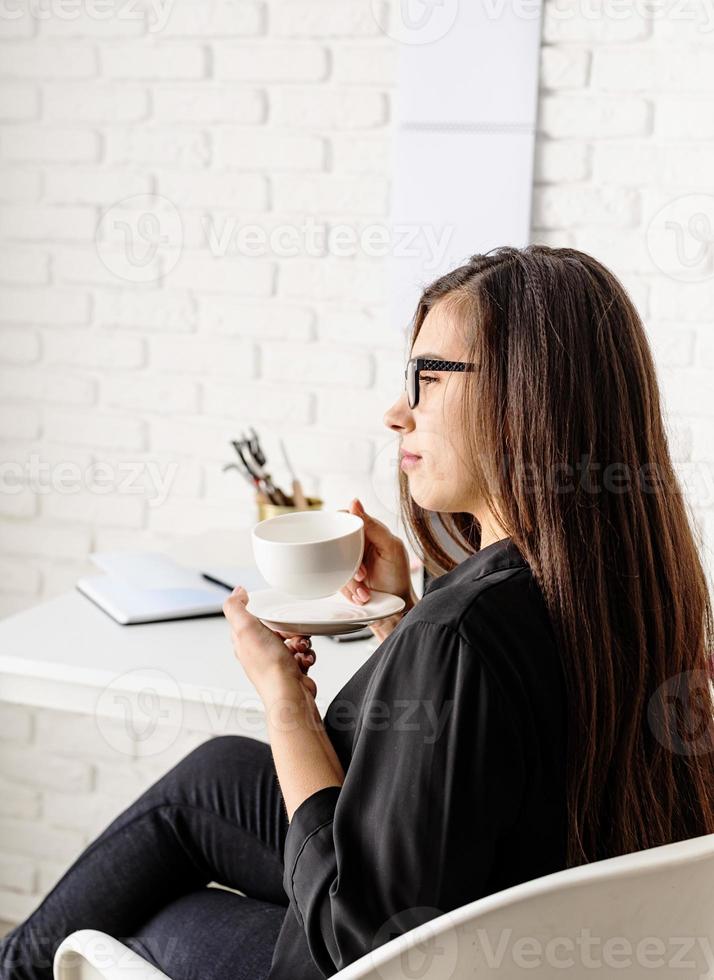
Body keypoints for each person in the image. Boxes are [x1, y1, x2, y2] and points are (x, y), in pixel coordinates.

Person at [2, 244, 713, 980]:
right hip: (531, 939)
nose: (397, 411)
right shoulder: (637, 594)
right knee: (213, 778)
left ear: (527, 396)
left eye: (429, 377)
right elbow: (492, 753)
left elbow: (362, 940)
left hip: (391, 957)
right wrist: (399, 620)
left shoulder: (463, 630)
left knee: (153, 914)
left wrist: (286, 705)